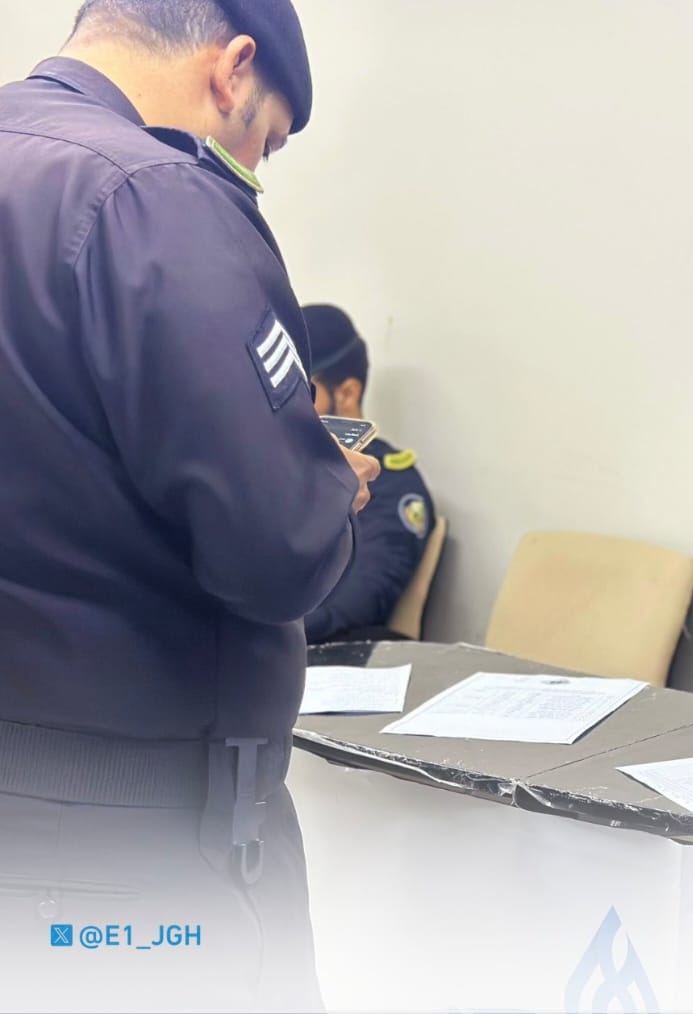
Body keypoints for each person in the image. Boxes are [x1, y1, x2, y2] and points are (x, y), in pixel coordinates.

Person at [0, 0, 379, 848]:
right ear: (233, 69)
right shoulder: (153, 195)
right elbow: (275, 550)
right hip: (123, 833)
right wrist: (323, 489)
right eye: (264, 144)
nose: (252, 167)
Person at [302, 304, 436, 643]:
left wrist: (255, 633)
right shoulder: (269, 471)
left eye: (301, 394)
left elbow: (360, 600)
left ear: (347, 393)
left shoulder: (390, 481)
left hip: (319, 656)